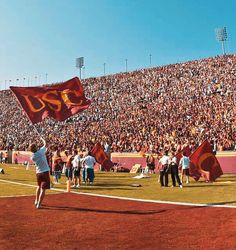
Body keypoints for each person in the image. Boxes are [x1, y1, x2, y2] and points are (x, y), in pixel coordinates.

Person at [30, 137, 51, 209]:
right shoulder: (40, 152)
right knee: (43, 189)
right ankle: (39, 204)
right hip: (44, 172)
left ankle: (36, 201)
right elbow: (46, 144)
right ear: (35, 148)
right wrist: (42, 139)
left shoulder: (32, 156)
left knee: (38, 186)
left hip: (38, 172)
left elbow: (43, 150)